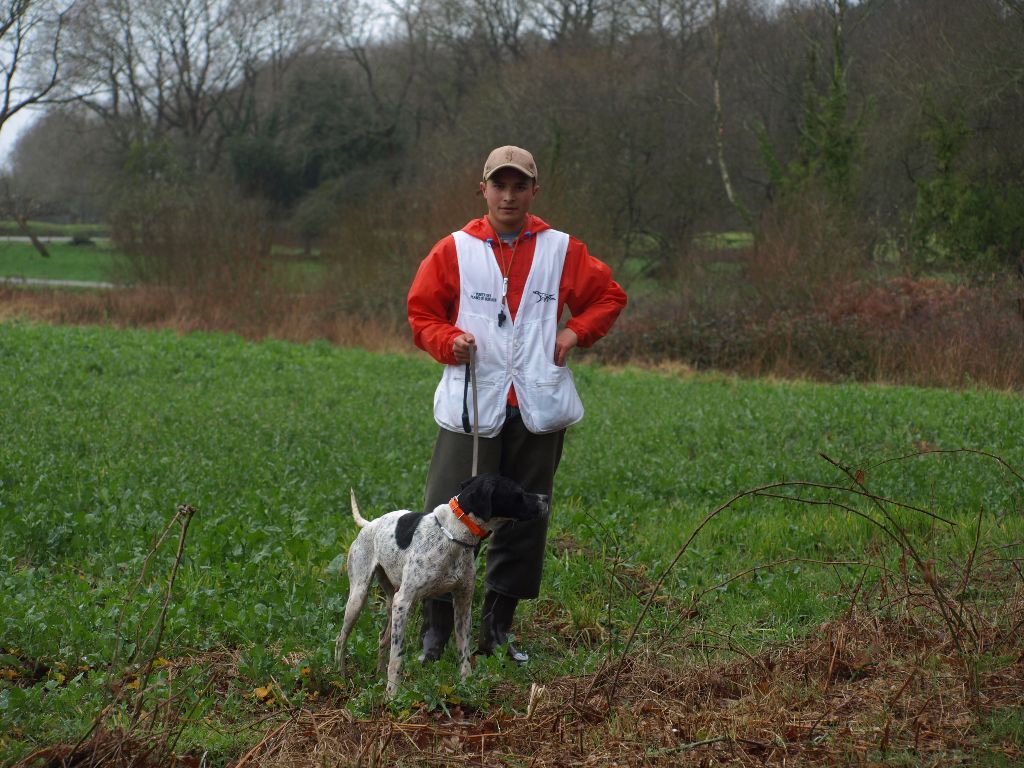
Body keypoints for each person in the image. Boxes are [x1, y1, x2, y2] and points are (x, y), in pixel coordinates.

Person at [406, 145, 627, 663]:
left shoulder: (562, 249)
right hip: (471, 408)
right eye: (499, 185)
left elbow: (608, 296)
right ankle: (436, 632)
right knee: (447, 517)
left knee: (525, 517)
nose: (509, 195)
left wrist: (575, 332)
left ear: (533, 191)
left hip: (537, 407)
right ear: (482, 189)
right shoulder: (453, 250)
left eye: (519, 186)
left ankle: (496, 631)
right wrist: (449, 342)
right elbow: (421, 315)